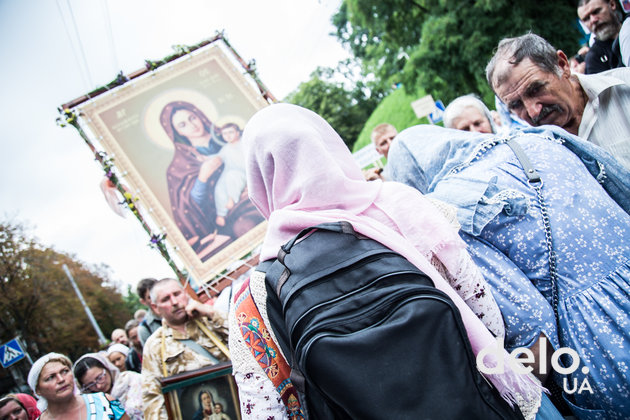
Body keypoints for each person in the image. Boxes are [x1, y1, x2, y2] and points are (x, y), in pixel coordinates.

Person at [230, 103, 548, 419]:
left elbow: (265, 409)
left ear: (259, 178)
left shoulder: (257, 290)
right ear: (329, 146)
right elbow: (484, 312)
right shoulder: (403, 205)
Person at [387, 123, 630, 419]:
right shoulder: (539, 139)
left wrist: (531, 400)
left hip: (602, 340)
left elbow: (532, 325)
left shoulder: (448, 210)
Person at [486, 32, 630, 170]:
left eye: (535, 89)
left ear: (562, 65)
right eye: (516, 105)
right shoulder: (533, 158)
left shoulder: (625, 88)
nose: (534, 112)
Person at [161, 101, 263, 258]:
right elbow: (189, 206)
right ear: (177, 133)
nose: (192, 125)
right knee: (245, 226)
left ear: (199, 116)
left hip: (262, 189)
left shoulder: (230, 136)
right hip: (234, 212)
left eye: (192, 118)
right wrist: (202, 177)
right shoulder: (180, 166)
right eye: (182, 124)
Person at [141, 278, 229, 419]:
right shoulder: (155, 345)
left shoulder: (208, 319)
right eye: (166, 299)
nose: (174, 302)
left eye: (177, 294)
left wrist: (211, 313)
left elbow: (247, 338)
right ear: (155, 308)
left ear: (185, 294)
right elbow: (152, 399)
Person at [27, 352, 128, 420]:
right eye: (50, 377)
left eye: (65, 371)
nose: (61, 379)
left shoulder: (104, 402)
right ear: (38, 390)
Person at [74, 353, 143, 420]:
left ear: (107, 368)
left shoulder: (131, 380)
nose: (99, 386)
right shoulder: (92, 404)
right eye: (91, 385)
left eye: (100, 377)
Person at [211, 123, 248, 227]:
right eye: (224, 134)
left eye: (230, 132)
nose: (228, 136)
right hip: (230, 172)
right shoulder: (226, 149)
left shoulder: (243, 143)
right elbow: (217, 157)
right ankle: (221, 214)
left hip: (244, 172)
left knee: (232, 176)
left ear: (237, 132)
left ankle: (232, 199)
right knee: (219, 187)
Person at [577, 0, 624, 74]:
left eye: (596, 12)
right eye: (586, 19)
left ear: (612, 5)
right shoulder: (594, 58)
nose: (593, 20)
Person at [136, 278, 161, 346]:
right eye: (150, 297)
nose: (156, 298)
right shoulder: (144, 328)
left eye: (157, 293)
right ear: (143, 301)